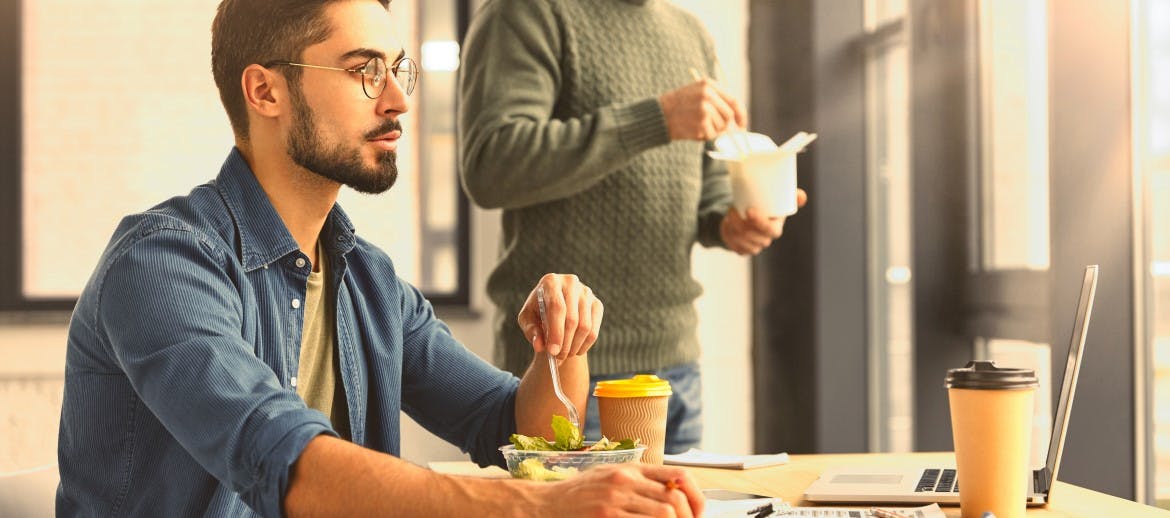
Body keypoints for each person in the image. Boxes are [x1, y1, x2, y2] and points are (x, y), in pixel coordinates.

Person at [55, 1, 705, 516]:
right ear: (265, 91)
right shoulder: (162, 265)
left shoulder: (367, 278)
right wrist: (536, 505)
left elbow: (512, 428)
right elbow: (290, 465)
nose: (397, 99)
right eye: (364, 69)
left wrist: (559, 348)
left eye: (399, 69)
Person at [458, 0, 807, 453]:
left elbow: (709, 183)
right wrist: (655, 119)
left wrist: (729, 222)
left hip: (675, 374)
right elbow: (492, 166)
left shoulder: (689, 32)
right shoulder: (527, 11)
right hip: (561, 367)